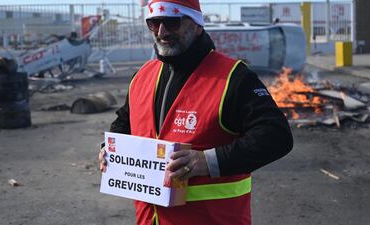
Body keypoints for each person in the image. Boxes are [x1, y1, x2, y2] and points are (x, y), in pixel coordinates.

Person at [99, 0, 293, 224]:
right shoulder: (142, 76)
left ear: (197, 24)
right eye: (154, 23)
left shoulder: (234, 77)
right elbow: (125, 121)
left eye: (172, 22)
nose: (162, 32)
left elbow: (276, 136)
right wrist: (110, 148)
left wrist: (207, 161)